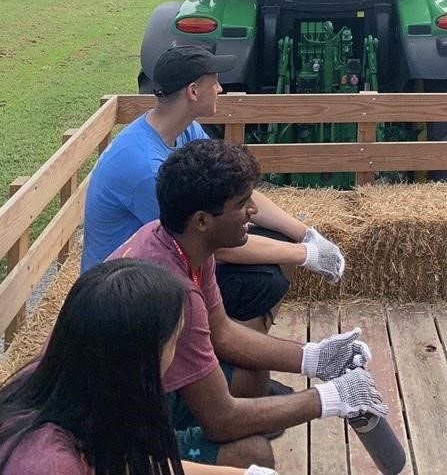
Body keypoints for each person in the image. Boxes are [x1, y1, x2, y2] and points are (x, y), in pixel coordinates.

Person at [111, 138, 387, 468]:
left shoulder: (181, 241)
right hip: (111, 432)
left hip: (144, 387)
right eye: (242, 203)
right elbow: (221, 419)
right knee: (253, 454)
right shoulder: (174, 292)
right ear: (202, 220)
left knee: (254, 379)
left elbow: (223, 333)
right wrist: (331, 398)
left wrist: (318, 358)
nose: (253, 211)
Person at [82, 44, 344, 330]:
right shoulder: (146, 168)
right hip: (122, 292)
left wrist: (306, 235)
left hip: (159, 264)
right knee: (263, 283)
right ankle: (227, 360)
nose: (221, 89)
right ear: (193, 92)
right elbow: (210, 245)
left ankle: (229, 346)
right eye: (215, 82)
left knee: (275, 240)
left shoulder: (183, 129)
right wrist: (306, 255)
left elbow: (233, 189)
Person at [0, 258, 272, 475]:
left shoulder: (65, 386)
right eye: (176, 340)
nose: (177, 354)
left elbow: (127, 463)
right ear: (140, 359)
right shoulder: (49, 464)